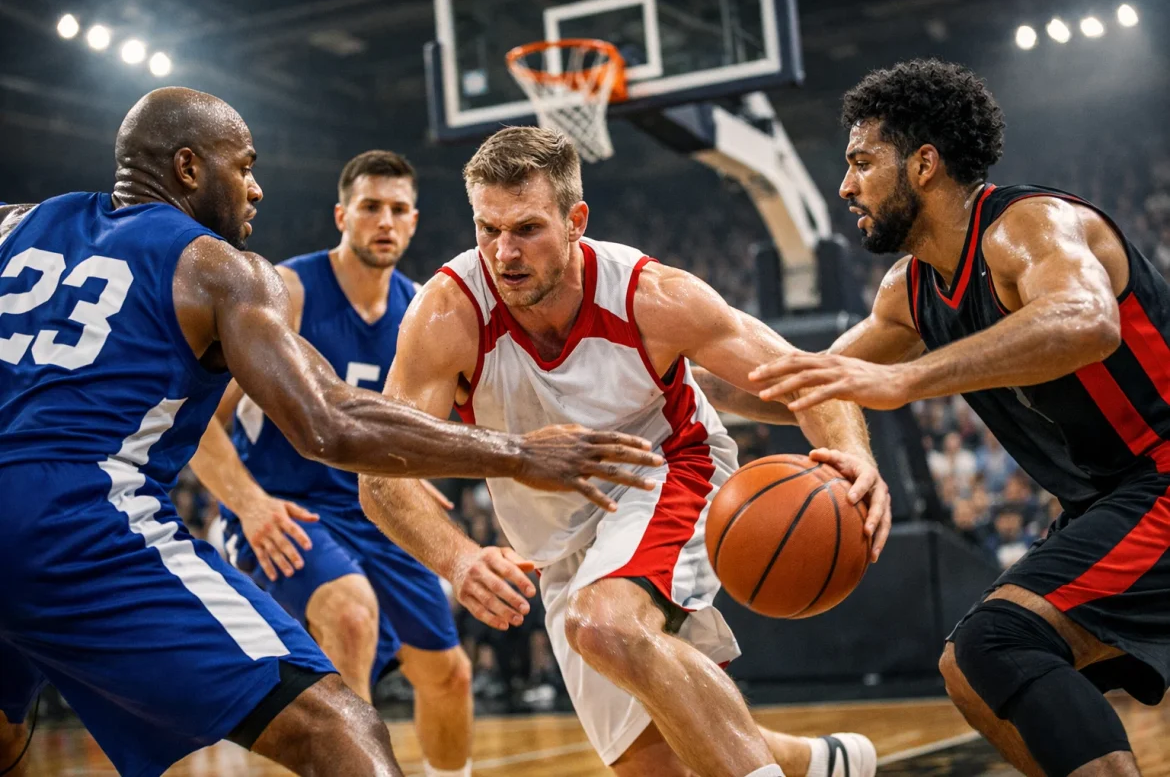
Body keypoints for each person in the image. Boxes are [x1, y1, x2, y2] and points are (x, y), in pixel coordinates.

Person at [0, 88, 663, 777]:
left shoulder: (16, 225)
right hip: (85, 522)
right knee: (334, 725)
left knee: (5, 733)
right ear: (190, 168)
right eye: (244, 166)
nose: (255, 190)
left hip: (355, 514)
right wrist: (520, 454)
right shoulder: (227, 270)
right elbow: (332, 420)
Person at [357, 126, 893, 777]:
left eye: (526, 228)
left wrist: (853, 457)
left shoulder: (650, 296)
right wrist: (459, 558)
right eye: (486, 228)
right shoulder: (449, 313)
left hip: (673, 469)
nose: (503, 253)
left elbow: (804, 378)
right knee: (657, 760)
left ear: (576, 219)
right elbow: (380, 471)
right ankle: (824, 763)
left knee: (605, 623)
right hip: (557, 544)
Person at [742, 59, 1169, 777]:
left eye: (862, 162)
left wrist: (903, 378)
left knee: (996, 643)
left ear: (925, 164)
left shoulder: (1029, 225)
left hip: (1159, 481)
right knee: (973, 672)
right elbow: (810, 384)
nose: (846, 185)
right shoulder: (909, 290)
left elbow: (1087, 321)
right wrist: (669, 377)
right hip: (1110, 503)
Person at [188, 149, 475, 777]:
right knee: (349, 613)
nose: (385, 221)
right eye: (370, 206)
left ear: (415, 222)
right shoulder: (284, 291)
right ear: (342, 214)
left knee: (449, 676)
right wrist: (248, 503)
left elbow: (414, 423)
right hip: (288, 506)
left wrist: (412, 469)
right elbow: (204, 418)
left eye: (398, 209)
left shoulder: (421, 310)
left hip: (376, 510)